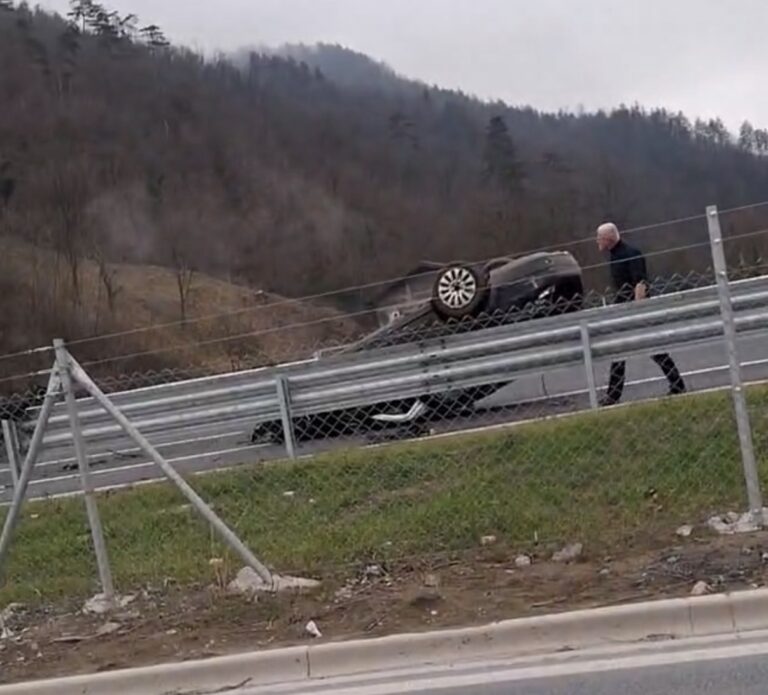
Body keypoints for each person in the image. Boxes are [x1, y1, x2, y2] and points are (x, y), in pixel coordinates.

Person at [596, 222, 686, 406]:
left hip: (634, 309)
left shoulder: (631, 253)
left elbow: (640, 283)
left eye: (599, 237)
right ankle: (614, 394)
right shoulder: (614, 255)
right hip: (623, 309)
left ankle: (677, 384)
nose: (597, 241)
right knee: (621, 352)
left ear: (608, 238)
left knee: (653, 348)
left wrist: (638, 311)